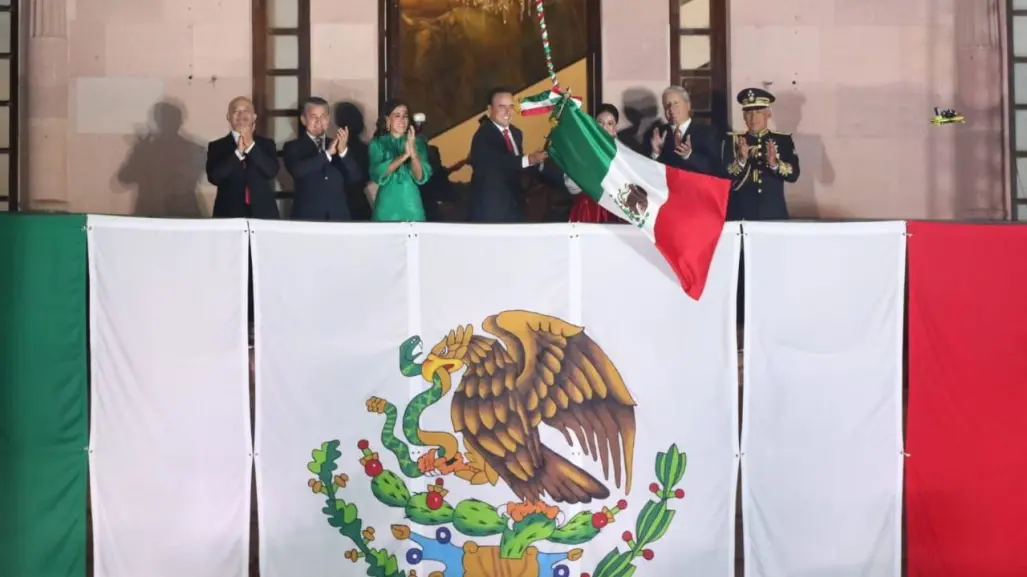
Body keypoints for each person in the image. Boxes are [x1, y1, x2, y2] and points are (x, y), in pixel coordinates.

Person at [467, 87, 547, 222]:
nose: (508, 112)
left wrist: (538, 162)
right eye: (502, 107)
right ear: (489, 109)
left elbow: (518, 165)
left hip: (516, 205)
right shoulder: (483, 136)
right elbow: (500, 162)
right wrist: (530, 159)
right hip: (491, 211)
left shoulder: (516, 133)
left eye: (510, 107)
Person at [723, 87, 800, 221]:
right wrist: (741, 160)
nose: (753, 118)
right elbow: (724, 176)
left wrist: (775, 164)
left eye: (758, 112)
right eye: (749, 113)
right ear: (743, 117)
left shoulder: (783, 141)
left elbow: (793, 175)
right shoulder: (732, 141)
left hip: (773, 213)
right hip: (741, 214)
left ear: (768, 114)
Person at [283, 96, 360, 221]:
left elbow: (355, 177)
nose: (319, 121)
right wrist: (328, 154)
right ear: (303, 119)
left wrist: (343, 152)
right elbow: (298, 171)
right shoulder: (293, 146)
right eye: (313, 117)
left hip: (338, 218)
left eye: (323, 117)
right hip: (307, 218)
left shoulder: (340, 144)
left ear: (328, 119)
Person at [205, 96, 280, 218]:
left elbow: (271, 171)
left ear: (254, 117)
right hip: (228, 212)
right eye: (236, 111)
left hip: (263, 211)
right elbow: (215, 177)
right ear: (228, 117)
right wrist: (237, 153)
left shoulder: (267, 144)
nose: (241, 115)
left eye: (246, 111)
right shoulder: (216, 146)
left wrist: (251, 146)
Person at [368, 100, 432, 221]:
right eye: (397, 116)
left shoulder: (418, 142)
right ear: (387, 119)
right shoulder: (377, 143)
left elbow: (420, 177)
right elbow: (377, 174)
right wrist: (404, 156)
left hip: (411, 204)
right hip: (386, 204)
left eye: (405, 116)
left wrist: (413, 155)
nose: (402, 120)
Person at [646, 86, 723, 177]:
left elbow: (713, 167)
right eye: (667, 105)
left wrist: (689, 155)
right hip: (667, 189)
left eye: (676, 103)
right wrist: (656, 153)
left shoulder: (707, 132)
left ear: (688, 105)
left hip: (695, 188)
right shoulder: (657, 134)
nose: (671, 108)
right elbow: (649, 172)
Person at [566, 103, 620, 223]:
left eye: (610, 123)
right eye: (600, 122)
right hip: (587, 210)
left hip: (614, 211)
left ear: (615, 129)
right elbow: (571, 186)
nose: (604, 127)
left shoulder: (622, 153)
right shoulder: (581, 150)